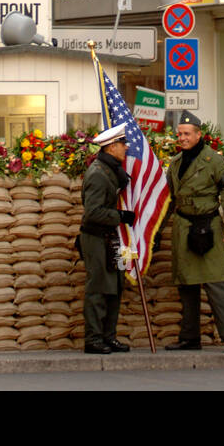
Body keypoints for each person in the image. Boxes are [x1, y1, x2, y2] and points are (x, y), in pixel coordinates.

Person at [162, 111, 224, 353]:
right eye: (180, 134)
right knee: (187, 284)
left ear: (199, 135)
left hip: (207, 226)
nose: (182, 138)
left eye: (187, 134)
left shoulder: (215, 161)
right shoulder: (175, 163)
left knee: (216, 282)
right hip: (184, 226)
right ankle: (189, 337)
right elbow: (168, 197)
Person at [79, 123, 135, 355]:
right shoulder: (98, 174)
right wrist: (120, 216)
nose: (126, 148)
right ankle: (93, 339)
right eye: (122, 145)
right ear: (111, 147)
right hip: (96, 238)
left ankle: (108, 337)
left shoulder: (110, 170)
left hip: (110, 238)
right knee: (98, 288)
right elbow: (93, 211)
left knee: (115, 286)